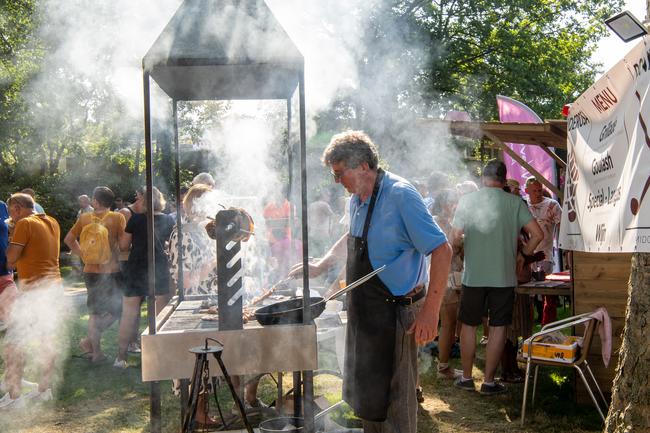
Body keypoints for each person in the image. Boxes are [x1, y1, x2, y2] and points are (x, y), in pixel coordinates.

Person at [289, 130, 452, 433]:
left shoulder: (401, 195)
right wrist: (322, 264)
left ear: (363, 166)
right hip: (366, 311)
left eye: (340, 173)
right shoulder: (356, 199)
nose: (337, 181)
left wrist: (431, 311)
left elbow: (442, 250)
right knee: (370, 397)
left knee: (396, 400)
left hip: (398, 314)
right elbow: (352, 236)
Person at [450, 160, 543, 395]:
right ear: (503, 180)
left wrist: (464, 245)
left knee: (469, 326)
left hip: (473, 275)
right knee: (498, 327)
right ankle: (489, 382)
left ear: (483, 178)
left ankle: (467, 378)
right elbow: (537, 234)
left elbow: (455, 237)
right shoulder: (513, 202)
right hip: (503, 276)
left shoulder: (468, 201)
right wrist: (523, 255)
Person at [1, 193, 62, 408]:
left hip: (33, 292)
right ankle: (44, 390)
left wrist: (11, 234)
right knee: (47, 340)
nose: (10, 216)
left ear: (17, 208)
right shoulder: (51, 220)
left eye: (10, 211)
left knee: (13, 343)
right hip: (53, 289)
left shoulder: (24, 223)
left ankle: (14, 398)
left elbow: (10, 259)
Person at [64, 186, 126, 363]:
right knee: (118, 310)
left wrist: (83, 254)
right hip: (111, 270)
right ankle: (91, 340)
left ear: (96, 201)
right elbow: (123, 245)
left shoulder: (84, 218)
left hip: (90, 271)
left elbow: (68, 239)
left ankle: (95, 351)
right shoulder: (117, 217)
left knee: (95, 312)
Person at [114, 187, 174, 368]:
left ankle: (121, 358)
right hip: (159, 268)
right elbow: (171, 245)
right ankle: (158, 357)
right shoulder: (168, 220)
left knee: (128, 314)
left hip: (136, 267)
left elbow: (124, 246)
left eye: (139, 199)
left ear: (145, 201)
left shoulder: (136, 219)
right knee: (159, 315)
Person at [433, 189, 464, 380]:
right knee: (448, 323)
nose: (455, 205)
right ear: (444, 203)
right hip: (444, 280)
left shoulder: (446, 221)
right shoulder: (438, 221)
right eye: (452, 201)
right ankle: (443, 367)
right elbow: (449, 248)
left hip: (450, 278)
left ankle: (443, 364)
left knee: (449, 323)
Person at [168, 184, 218, 296]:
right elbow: (185, 282)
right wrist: (215, 261)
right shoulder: (182, 236)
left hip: (213, 299)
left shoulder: (205, 229)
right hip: (195, 301)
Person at [524, 176, 562, 324]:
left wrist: (565, 247)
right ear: (526, 190)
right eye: (534, 191)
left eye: (540, 190)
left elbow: (562, 226)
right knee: (528, 294)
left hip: (545, 255)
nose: (538, 193)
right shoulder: (522, 206)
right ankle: (530, 323)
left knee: (547, 291)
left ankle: (548, 323)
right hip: (526, 256)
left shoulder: (552, 205)